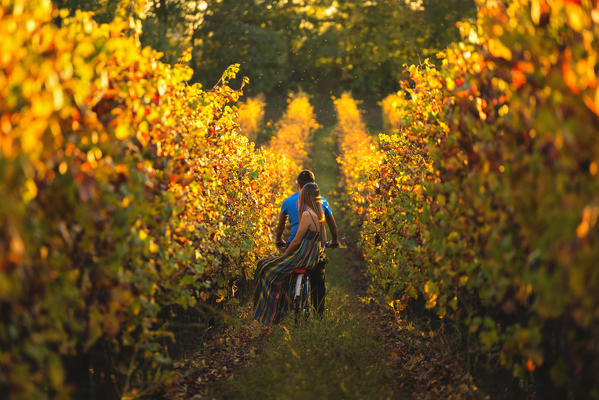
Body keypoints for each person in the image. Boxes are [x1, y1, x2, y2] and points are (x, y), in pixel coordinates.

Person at [253, 182, 328, 325]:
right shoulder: (320, 215)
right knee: (268, 266)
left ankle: (264, 314)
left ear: (305, 196)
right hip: (312, 258)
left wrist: (285, 255)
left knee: (264, 266)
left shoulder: (307, 214)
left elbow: (296, 241)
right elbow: (324, 239)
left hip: (302, 257)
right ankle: (275, 309)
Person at [275, 170, 339, 315]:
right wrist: (334, 241)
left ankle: (285, 307)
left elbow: (280, 226)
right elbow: (333, 228)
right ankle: (319, 312)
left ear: (298, 184)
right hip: (315, 250)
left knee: (285, 276)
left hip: (296, 247)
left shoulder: (288, 201)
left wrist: (279, 239)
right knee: (318, 281)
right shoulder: (321, 202)